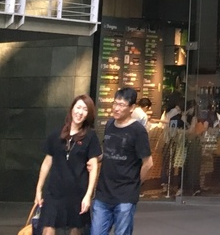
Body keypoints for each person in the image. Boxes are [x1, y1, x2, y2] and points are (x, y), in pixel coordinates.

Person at [35, 95, 101, 235]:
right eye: (78, 107)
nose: (80, 112)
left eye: (85, 109)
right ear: (72, 109)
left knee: (75, 230)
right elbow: (47, 163)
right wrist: (38, 189)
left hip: (77, 193)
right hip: (54, 192)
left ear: (88, 114)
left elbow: (94, 167)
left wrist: (88, 195)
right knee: (47, 228)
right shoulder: (56, 134)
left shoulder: (90, 137)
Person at [92, 87, 151, 235]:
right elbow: (107, 152)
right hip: (103, 192)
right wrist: (94, 159)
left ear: (132, 108)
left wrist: (135, 184)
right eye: (115, 103)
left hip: (125, 195)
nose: (116, 108)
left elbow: (148, 163)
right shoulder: (109, 125)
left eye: (121, 105)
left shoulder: (138, 130)